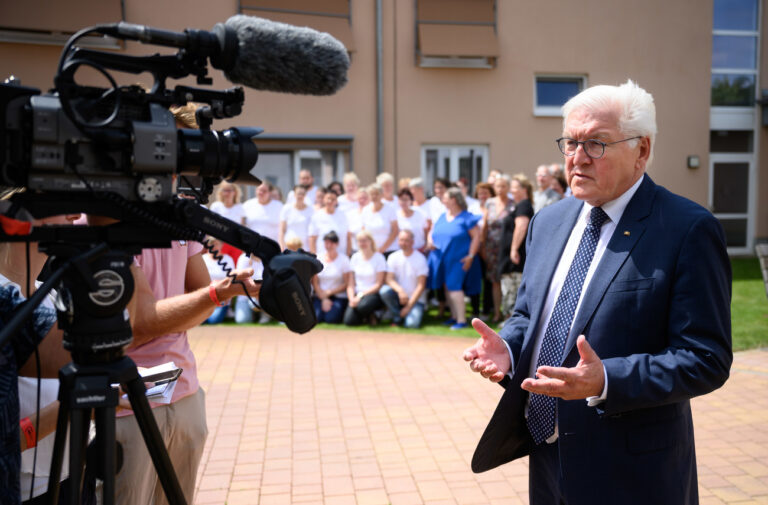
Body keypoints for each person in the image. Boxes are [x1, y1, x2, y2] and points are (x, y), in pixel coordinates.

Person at [462, 80, 732, 505]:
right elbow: (531, 315)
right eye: (570, 142)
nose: (577, 157)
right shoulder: (549, 222)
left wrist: (606, 379)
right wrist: (509, 350)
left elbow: (705, 358)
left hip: (632, 470)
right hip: (547, 455)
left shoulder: (686, 229)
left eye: (596, 144)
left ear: (642, 150)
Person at [426, 187, 482, 330]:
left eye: (445, 197)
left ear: (454, 200)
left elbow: (476, 237)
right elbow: (432, 231)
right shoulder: (442, 216)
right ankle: (454, 316)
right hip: (441, 258)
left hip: (458, 259)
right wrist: (430, 241)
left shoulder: (466, 217)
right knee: (446, 287)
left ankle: (461, 320)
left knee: (454, 287)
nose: (442, 200)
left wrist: (470, 256)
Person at [496, 174, 534, 316]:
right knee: (508, 292)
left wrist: (513, 249)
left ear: (524, 189)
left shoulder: (524, 205)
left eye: (515, 187)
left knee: (512, 294)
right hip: (510, 259)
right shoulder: (518, 205)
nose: (511, 190)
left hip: (515, 260)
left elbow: (521, 226)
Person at [482, 175, 515, 323]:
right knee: (494, 280)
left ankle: (507, 312)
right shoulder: (489, 203)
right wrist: (482, 245)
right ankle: (497, 312)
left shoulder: (513, 204)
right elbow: (485, 225)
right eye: (497, 186)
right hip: (491, 247)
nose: (500, 189)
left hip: (507, 247)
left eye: (503, 186)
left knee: (507, 279)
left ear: (508, 188)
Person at [379, 230, 428, 328]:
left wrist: (408, 307)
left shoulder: (420, 259)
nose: (403, 243)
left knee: (411, 325)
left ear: (412, 242)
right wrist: (401, 291)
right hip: (399, 297)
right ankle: (397, 316)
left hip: (415, 300)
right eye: (401, 240)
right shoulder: (393, 257)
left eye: (406, 240)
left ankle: (402, 314)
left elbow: (421, 285)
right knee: (384, 291)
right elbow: (389, 279)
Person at [343, 231, 387, 326]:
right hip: (357, 295)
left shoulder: (379, 258)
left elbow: (379, 284)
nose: (362, 243)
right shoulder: (355, 257)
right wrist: (351, 299)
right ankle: (367, 317)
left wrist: (360, 295)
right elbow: (351, 283)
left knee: (363, 306)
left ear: (371, 241)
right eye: (359, 241)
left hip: (372, 294)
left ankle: (375, 313)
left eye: (364, 241)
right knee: (349, 322)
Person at [310, 231, 352, 323]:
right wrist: (324, 298)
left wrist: (329, 293)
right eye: (326, 242)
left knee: (331, 319)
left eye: (331, 243)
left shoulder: (344, 260)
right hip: (320, 295)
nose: (329, 245)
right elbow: (315, 281)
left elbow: (346, 283)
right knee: (316, 318)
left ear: (337, 244)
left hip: (338, 295)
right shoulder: (318, 258)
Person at [208, 181, 246, 263]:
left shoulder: (240, 207)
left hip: (235, 244)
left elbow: (242, 227)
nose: (227, 193)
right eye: (225, 190)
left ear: (235, 192)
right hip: (219, 244)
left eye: (230, 190)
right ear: (221, 192)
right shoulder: (216, 206)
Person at [308, 189, 351, 258]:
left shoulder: (343, 215)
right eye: (328, 198)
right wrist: (314, 257)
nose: (330, 201)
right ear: (324, 199)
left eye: (333, 199)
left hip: (341, 256)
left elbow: (348, 237)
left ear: (336, 201)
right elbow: (312, 238)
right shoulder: (317, 216)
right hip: (322, 257)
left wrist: (347, 255)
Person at [201, 239, 235, 324]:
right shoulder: (202, 259)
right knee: (201, 321)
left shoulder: (228, 259)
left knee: (213, 321)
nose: (214, 247)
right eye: (212, 244)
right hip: (205, 297)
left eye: (217, 244)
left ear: (221, 245)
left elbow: (232, 280)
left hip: (221, 298)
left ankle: (226, 310)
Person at [361, 183, 399, 257]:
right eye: (372, 194)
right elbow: (364, 231)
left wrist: (382, 248)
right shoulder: (365, 210)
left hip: (389, 251)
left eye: (376, 194)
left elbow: (395, 231)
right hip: (371, 252)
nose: (374, 196)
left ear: (382, 195)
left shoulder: (390, 209)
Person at [278, 184, 314, 251]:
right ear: (294, 194)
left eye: (303, 194)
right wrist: (281, 246)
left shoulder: (311, 210)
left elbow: (313, 232)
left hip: (305, 248)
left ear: (305, 195)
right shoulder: (286, 208)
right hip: (289, 247)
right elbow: (281, 230)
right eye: (298, 193)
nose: (300, 196)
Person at [395, 188, 428, 252]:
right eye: (401, 199)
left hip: (420, 250)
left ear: (411, 200)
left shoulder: (420, 214)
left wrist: (426, 245)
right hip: (403, 252)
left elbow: (426, 231)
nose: (403, 202)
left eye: (405, 199)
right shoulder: (395, 216)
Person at [345, 187, 369, 254]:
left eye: (365, 198)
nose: (362, 200)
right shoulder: (350, 214)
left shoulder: (373, 213)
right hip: (355, 249)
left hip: (369, 249)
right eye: (360, 198)